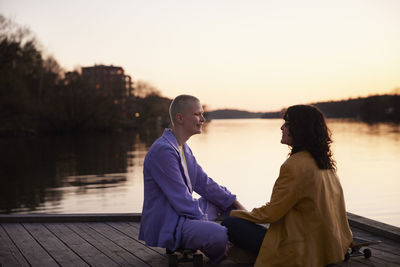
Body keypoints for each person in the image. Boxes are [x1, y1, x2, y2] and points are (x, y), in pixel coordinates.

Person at [222, 105, 353, 267]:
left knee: (230, 224)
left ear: (300, 129)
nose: (282, 127)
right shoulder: (326, 166)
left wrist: (237, 214)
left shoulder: (294, 166)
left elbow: (272, 213)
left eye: (287, 123)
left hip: (302, 250)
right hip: (330, 247)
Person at [139, 94, 245, 265]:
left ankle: (199, 239)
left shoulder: (182, 148)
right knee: (217, 234)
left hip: (184, 216)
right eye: (197, 114)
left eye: (202, 114)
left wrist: (235, 203)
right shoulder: (163, 151)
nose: (203, 119)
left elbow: (204, 183)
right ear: (180, 118)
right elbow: (181, 199)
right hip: (170, 224)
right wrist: (205, 228)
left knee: (221, 201)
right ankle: (218, 255)